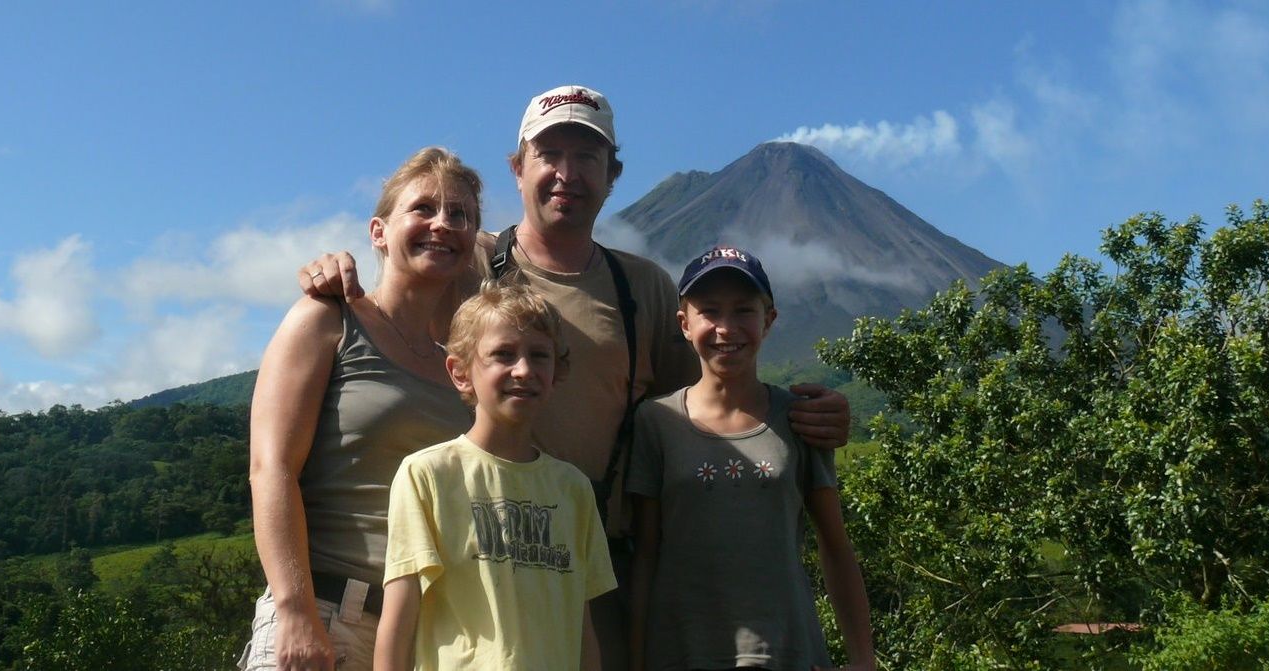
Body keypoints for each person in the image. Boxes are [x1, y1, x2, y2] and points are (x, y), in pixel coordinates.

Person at [297, 84, 853, 669]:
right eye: (548, 154)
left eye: (586, 157)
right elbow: (404, 265)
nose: (567, 172)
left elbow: (716, 401)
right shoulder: (468, 261)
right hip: (469, 576)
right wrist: (334, 272)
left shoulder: (644, 290)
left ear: (612, 174)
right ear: (517, 168)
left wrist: (800, 413)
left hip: (590, 573)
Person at [240, 147, 483, 671]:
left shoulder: (459, 371)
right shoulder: (327, 321)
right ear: (378, 232)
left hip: (423, 636)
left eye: (459, 214)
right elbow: (271, 469)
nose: (443, 223)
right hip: (325, 613)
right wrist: (295, 610)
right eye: (423, 208)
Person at [627, 246, 875, 671]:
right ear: (684, 324)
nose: (726, 328)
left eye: (744, 310)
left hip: (785, 650)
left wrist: (862, 661)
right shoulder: (656, 421)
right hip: (681, 651)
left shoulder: (800, 418)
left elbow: (835, 546)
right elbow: (645, 555)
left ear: (769, 320)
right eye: (709, 311)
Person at [375, 280, 616, 670]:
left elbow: (582, 624)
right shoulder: (428, 475)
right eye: (503, 354)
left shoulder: (573, 488)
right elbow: (399, 617)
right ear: (460, 372)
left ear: (557, 372)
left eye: (540, 355)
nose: (524, 370)